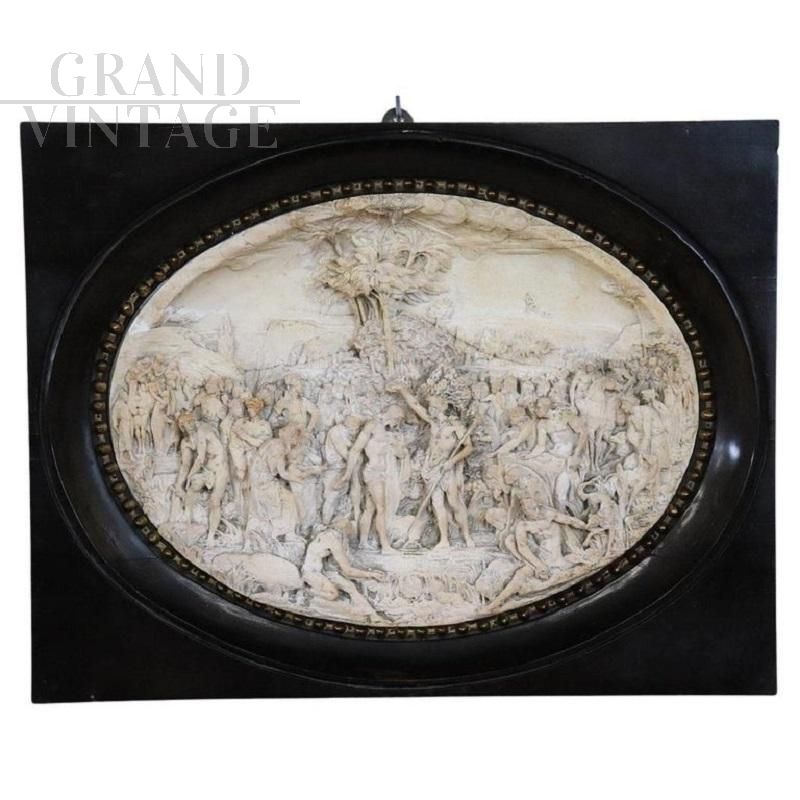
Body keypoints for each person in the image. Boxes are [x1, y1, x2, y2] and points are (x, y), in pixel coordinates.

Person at [389, 384, 474, 549]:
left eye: (434, 405)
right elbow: (415, 405)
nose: (431, 409)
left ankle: (466, 535)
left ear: (443, 405)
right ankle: (444, 540)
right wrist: (402, 390)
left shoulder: (456, 426)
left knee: (454, 502)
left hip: (446, 467)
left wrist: (452, 461)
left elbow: (469, 447)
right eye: (430, 406)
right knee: (437, 504)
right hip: (431, 468)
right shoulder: (433, 422)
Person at [336, 405, 409, 552]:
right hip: (374, 473)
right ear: (394, 415)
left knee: (370, 508)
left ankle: (363, 542)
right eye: (399, 420)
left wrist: (398, 444)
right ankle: (385, 545)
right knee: (381, 508)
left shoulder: (389, 432)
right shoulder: (373, 425)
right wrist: (347, 474)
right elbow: (355, 450)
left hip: (384, 474)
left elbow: (401, 454)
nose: (398, 424)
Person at [301, 518, 384, 620]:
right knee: (333, 594)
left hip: (321, 570)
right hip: (311, 573)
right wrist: (371, 574)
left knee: (350, 586)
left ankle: (372, 614)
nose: (348, 538)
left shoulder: (326, 533)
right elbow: (348, 571)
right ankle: (306, 592)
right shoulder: (333, 540)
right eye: (348, 535)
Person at [172, 412, 229, 546]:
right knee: (193, 486)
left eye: (191, 421)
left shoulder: (203, 430)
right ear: (182, 427)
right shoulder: (186, 442)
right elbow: (185, 465)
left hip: (220, 468)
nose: (191, 424)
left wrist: (189, 477)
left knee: (215, 500)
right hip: (206, 468)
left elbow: (200, 458)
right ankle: (186, 518)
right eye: (187, 423)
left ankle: (211, 536)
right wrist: (179, 484)